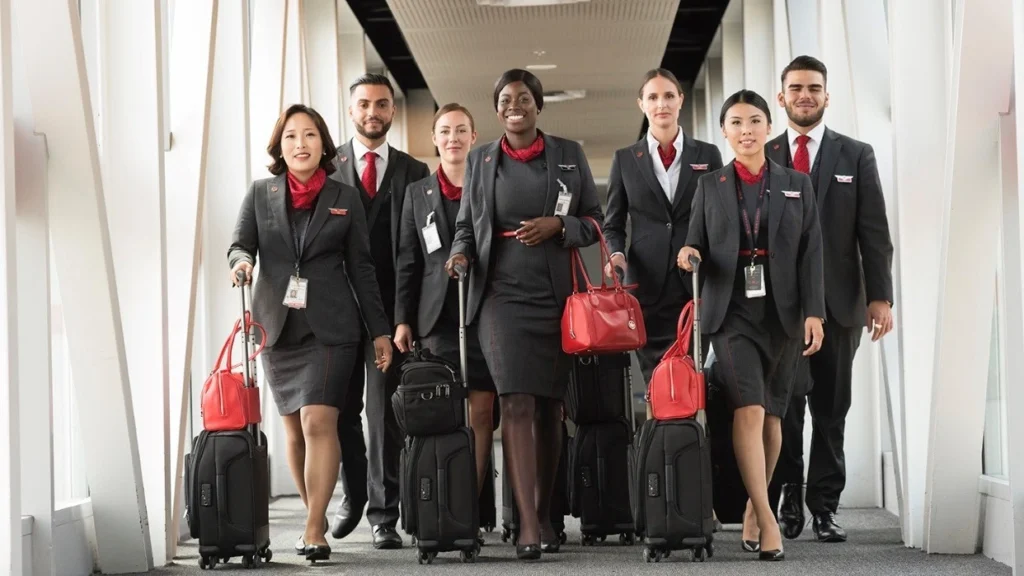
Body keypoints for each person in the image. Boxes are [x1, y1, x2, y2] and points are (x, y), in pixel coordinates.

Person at [445, 69, 603, 561]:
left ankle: (546, 510)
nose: (515, 105)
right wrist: (459, 255)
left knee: (550, 408)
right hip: (500, 297)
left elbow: (596, 222)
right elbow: (466, 226)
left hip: (556, 297)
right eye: (506, 99)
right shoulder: (481, 160)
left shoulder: (569, 155)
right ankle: (528, 524)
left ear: (538, 105)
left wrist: (560, 224)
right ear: (497, 111)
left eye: (524, 98)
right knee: (514, 401)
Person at [227, 104, 393, 561]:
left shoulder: (345, 196)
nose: (300, 144)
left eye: (309, 136)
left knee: (318, 421)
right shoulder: (261, 194)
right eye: (291, 137)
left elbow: (362, 266)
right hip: (277, 330)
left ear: (324, 144)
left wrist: (379, 330)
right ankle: (313, 512)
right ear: (280, 147)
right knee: (294, 433)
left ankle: (315, 527)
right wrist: (240, 262)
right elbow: (241, 243)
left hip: (333, 328)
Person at [678, 89, 825, 562]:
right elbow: (694, 240)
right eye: (737, 122)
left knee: (774, 420)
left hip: (782, 313)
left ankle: (749, 506)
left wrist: (814, 312)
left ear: (769, 126)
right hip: (731, 311)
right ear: (724, 131)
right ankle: (767, 519)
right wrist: (688, 254)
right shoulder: (710, 185)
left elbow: (812, 253)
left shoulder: (795, 183)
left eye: (755, 120)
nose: (747, 130)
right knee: (750, 411)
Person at [766, 55, 894, 543]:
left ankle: (824, 506)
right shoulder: (767, 153)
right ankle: (789, 499)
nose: (805, 95)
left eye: (813, 88)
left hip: (841, 306)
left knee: (831, 409)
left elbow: (874, 232)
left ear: (826, 95)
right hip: (782, 310)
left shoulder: (855, 154)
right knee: (787, 408)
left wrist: (880, 297)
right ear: (781, 97)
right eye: (796, 88)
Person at [327, 73, 431, 549]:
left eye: (382, 104)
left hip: (390, 314)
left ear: (393, 111)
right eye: (364, 104)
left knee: (384, 414)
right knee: (341, 411)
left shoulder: (414, 174)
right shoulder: (329, 170)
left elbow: (421, 253)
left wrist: (408, 317)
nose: (373, 111)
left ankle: (384, 515)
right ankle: (355, 496)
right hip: (334, 312)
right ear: (351, 111)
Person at [393, 103, 497, 544]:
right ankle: (440, 501)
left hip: (486, 310)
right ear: (434, 139)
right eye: (444, 131)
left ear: (474, 137)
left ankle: (466, 512)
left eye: (461, 130)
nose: (452, 138)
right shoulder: (418, 194)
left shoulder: (491, 185)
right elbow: (407, 262)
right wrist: (402, 320)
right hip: (436, 318)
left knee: (481, 411)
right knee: (441, 410)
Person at [603, 68, 723, 382]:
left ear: (680, 101)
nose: (662, 104)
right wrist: (615, 255)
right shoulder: (626, 159)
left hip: (695, 284)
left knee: (691, 376)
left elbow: (720, 217)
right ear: (641, 104)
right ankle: (661, 432)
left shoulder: (707, 155)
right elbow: (613, 223)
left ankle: (694, 433)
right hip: (647, 287)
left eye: (669, 96)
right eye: (653, 97)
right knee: (656, 378)